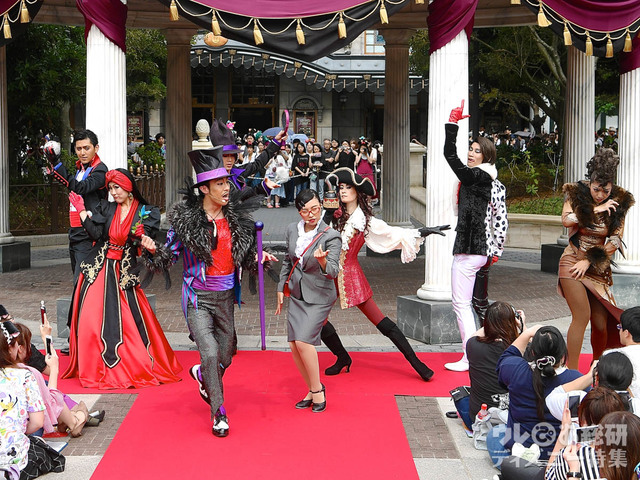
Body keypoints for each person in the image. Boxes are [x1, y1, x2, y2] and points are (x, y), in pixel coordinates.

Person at [141, 145, 278, 437]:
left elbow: (245, 254)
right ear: (204, 189)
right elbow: (168, 257)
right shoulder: (187, 223)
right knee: (211, 352)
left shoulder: (236, 219)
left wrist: (259, 256)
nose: (227, 188)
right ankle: (219, 413)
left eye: (227, 182)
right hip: (197, 297)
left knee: (226, 355)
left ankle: (203, 374)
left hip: (226, 297)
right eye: (219, 184)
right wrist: (153, 251)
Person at [319, 168, 448, 381]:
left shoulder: (365, 221)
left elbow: (392, 233)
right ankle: (342, 357)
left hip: (351, 277)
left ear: (358, 192)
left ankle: (418, 364)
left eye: (348, 187)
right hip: (330, 276)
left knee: (380, 321)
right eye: (341, 187)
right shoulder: (336, 215)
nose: (343, 191)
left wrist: (423, 231)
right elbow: (318, 235)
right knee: (319, 320)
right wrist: (327, 211)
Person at [61, 168, 182, 389]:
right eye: (110, 188)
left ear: (128, 187)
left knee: (129, 322)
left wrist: (150, 247)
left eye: (117, 187)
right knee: (90, 319)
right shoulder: (107, 208)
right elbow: (96, 234)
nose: (114, 192)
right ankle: (94, 367)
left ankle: (132, 364)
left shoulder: (147, 212)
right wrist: (81, 211)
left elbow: (148, 247)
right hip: (98, 268)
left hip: (124, 273)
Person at [443, 100, 508, 372]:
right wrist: (496, 250)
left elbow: (449, 155)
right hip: (477, 250)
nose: (471, 153)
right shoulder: (489, 180)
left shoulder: (478, 177)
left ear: (487, 156)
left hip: (472, 249)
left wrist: (452, 124)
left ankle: (471, 357)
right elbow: (500, 219)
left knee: (461, 305)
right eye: (470, 149)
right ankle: (479, 354)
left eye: (476, 151)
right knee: (470, 304)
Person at [559, 148, 635, 369]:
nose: (600, 194)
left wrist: (590, 261)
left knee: (601, 324)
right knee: (581, 315)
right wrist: (596, 209)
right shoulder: (576, 193)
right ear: (590, 183)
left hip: (597, 266)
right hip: (572, 261)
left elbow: (615, 240)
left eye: (605, 191)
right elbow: (567, 220)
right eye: (596, 189)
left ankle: (598, 367)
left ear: (612, 186)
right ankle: (572, 372)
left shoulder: (620, 201)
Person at [275, 189, 341, 413]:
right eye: (306, 211)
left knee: (304, 342)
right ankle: (313, 389)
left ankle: (318, 391)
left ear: (321, 207)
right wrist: (281, 287)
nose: (312, 214)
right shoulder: (291, 229)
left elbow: (333, 271)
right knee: (294, 344)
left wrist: (322, 262)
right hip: (296, 293)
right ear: (299, 212)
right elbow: (288, 260)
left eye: (316, 209)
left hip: (320, 295)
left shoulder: (331, 235)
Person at [488, 325, 583, 467]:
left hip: (519, 457)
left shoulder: (515, 369)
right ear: (563, 354)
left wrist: (526, 333)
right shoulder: (576, 380)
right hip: (559, 459)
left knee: (496, 433)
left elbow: (507, 357)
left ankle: (517, 471)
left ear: (532, 352)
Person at [0, 321, 65, 480]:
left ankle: (79, 417)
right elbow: (37, 422)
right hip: (13, 458)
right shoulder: (26, 375)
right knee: (43, 452)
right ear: (12, 348)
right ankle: (80, 418)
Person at [44, 129, 109, 279]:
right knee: (78, 279)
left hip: (89, 232)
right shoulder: (80, 169)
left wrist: (57, 164)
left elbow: (81, 187)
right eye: (79, 149)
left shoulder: (100, 170)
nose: (82, 153)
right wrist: (54, 167)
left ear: (96, 148)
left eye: (87, 148)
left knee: (83, 280)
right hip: (75, 231)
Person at [13, 323, 89, 438]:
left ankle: (70, 419)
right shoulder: (28, 374)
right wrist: (54, 369)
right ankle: (73, 421)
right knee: (48, 392)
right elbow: (50, 401)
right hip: (25, 431)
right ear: (20, 349)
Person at [545, 387, 626, 480]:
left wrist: (565, 430)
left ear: (584, 420)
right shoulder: (632, 448)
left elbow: (548, 476)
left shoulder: (571, 455)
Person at [466, 301, 522, 421]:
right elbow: (530, 341)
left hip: (479, 416)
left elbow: (475, 335)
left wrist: (492, 321)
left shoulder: (472, 345)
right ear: (512, 323)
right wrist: (522, 326)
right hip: (513, 416)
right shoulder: (520, 350)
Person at [209, 118, 281, 195]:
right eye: (225, 156)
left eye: (232, 155)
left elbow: (257, 164)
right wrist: (263, 187)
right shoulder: (211, 179)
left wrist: (275, 142)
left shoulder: (236, 171)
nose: (229, 159)